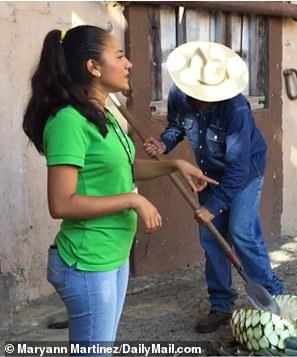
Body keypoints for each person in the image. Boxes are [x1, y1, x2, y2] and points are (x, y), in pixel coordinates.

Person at [22, 26, 214, 347]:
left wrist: (174, 164)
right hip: (87, 261)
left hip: (113, 254)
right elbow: (62, 203)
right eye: (120, 56)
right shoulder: (69, 121)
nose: (129, 65)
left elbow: (122, 170)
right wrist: (132, 201)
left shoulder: (103, 114)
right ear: (93, 67)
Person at [143, 41, 284, 333]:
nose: (203, 100)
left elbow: (238, 169)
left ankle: (275, 298)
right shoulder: (178, 95)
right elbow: (176, 127)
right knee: (211, 238)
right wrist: (163, 143)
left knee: (241, 232)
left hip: (244, 173)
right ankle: (221, 305)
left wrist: (212, 206)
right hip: (208, 171)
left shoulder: (236, 109)